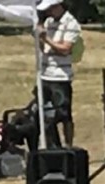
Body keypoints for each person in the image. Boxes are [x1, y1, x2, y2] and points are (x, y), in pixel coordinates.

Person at [37, 0, 81, 147]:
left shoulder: (71, 23)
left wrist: (46, 39)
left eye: (50, 8)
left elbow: (65, 49)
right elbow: (44, 48)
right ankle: (53, 146)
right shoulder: (49, 22)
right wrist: (39, 38)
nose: (48, 12)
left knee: (63, 114)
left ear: (58, 6)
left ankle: (69, 145)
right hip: (45, 74)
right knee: (45, 114)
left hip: (60, 77)